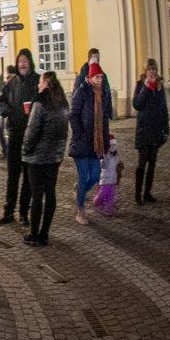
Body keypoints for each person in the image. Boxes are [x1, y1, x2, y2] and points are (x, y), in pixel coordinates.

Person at [22, 71, 69, 246]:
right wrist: (59, 153)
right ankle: (44, 233)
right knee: (50, 194)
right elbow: (64, 132)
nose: (38, 85)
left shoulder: (40, 103)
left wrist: (25, 150)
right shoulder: (63, 103)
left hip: (37, 158)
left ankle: (34, 234)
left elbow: (31, 132)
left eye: (40, 82)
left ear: (46, 84)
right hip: (54, 158)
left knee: (37, 196)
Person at [0, 49, 39, 226]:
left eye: (25, 60)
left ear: (30, 62)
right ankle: (8, 211)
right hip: (14, 134)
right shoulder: (12, 81)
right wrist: (6, 111)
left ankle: (23, 212)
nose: (22, 64)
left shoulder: (37, 81)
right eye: (20, 61)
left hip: (31, 136)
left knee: (28, 177)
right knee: (13, 175)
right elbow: (1, 100)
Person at [69, 61, 111, 225]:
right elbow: (73, 115)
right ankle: (80, 211)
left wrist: (105, 141)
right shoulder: (82, 92)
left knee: (94, 176)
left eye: (101, 77)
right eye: (96, 76)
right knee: (84, 175)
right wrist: (79, 134)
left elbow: (105, 120)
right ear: (89, 77)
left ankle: (79, 190)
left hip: (96, 143)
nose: (100, 79)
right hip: (82, 143)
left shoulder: (103, 95)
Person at [131, 59, 167, 205]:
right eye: (149, 69)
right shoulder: (141, 84)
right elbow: (137, 104)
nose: (151, 72)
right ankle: (137, 195)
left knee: (152, 164)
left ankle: (147, 193)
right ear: (145, 71)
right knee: (142, 164)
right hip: (144, 130)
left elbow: (164, 108)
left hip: (156, 130)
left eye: (154, 69)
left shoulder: (159, 85)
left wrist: (166, 129)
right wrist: (146, 88)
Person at [92, 135, 122, 216]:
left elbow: (119, 163)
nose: (113, 147)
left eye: (114, 145)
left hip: (114, 178)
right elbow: (103, 166)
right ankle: (97, 202)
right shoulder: (105, 154)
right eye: (111, 145)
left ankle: (108, 209)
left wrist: (120, 165)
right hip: (105, 178)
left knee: (111, 195)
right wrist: (103, 157)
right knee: (103, 193)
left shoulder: (116, 154)